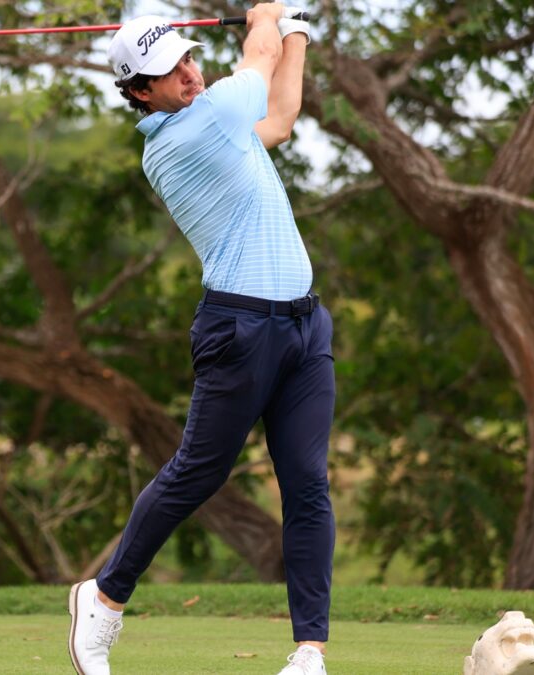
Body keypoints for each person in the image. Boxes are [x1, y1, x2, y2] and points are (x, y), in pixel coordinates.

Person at [68, 5, 333, 675]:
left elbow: (278, 118)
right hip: (240, 328)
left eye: (186, 59)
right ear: (139, 92)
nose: (188, 72)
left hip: (304, 325)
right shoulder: (191, 131)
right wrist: (271, 16)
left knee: (307, 484)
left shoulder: (220, 121)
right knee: (197, 473)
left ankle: (309, 653)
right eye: (168, 71)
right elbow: (260, 57)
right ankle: (101, 600)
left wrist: (296, 28)